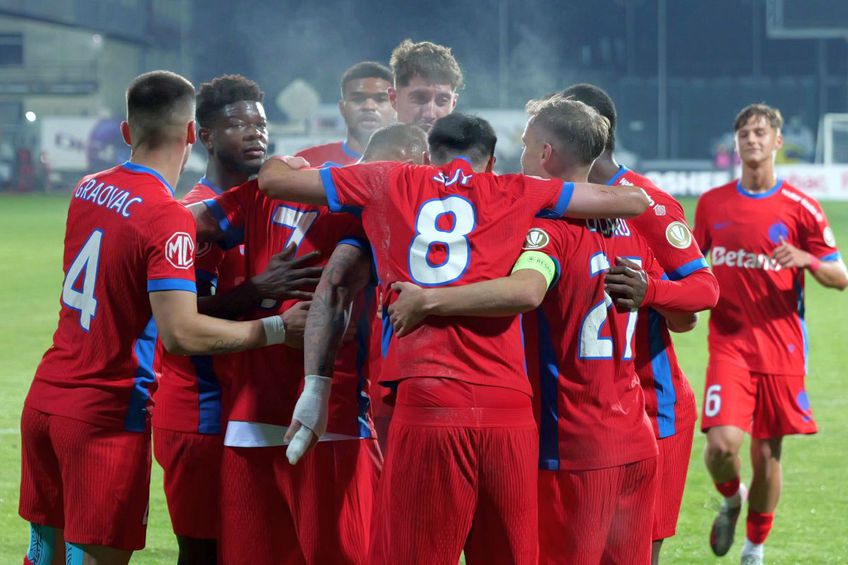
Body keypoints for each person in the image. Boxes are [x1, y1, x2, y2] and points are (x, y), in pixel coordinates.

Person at [257, 112, 649, 564]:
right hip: (509, 411)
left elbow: (274, 182)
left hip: (429, 400)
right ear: (491, 161)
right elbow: (629, 201)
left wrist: (285, 160)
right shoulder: (516, 189)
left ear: (428, 155)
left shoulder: (388, 179)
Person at [385, 96, 696, 564]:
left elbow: (527, 289)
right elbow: (691, 309)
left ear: (546, 154)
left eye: (527, 145)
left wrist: (429, 298)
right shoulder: (629, 221)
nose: (520, 155)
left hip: (571, 445)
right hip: (634, 437)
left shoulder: (546, 230)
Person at [18, 70, 289, 565]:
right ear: (193, 134)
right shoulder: (166, 215)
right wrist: (277, 329)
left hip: (46, 399)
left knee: (43, 557)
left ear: (127, 133)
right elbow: (181, 332)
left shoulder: (88, 187)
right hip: (104, 412)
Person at [186, 123, 428, 565]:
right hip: (331, 414)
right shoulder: (382, 203)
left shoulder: (273, 186)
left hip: (251, 413)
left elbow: (186, 223)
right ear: (413, 164)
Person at [151, 74, 319, 564]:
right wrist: (255, 290)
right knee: (204, 551)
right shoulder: (191, 219)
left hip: (252, 408)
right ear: (203, 136)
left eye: (260, 124)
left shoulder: (271, 203)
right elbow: (178, 320)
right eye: (237, 124)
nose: (254, 133)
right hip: (200, 409)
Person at [561, 83, 720, 564]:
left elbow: (702, 290)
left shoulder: (648, 202)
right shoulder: (557, 201)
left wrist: (652, 291)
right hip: (579, 410)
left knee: (632, 554)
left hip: (654, 406)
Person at [694, 103, 847, 565]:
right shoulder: (712, 204)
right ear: (736, 143)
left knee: (766, 454)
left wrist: (809, 260)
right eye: (743, 132)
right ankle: (731, 497)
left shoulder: (801, 207)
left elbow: (840, 275)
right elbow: (692, 263)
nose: (751, 139)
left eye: (760, 132)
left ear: (777, 141)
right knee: (721, 446)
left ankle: (754, 548)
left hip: (781, 347)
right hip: (729, 343)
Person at [296, 61, 396, 166]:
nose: (369, 106)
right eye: (358, 99)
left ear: (395, 107)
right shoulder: (308, 161)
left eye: (380, 99)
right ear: (342, 108)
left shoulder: (411, 163)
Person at [389, 39, 463, 133]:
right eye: (419, 99)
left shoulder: (474, 146)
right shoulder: (373, 146)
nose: (430, 115)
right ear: (394, 99)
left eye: (442, 101)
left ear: (453, 104)